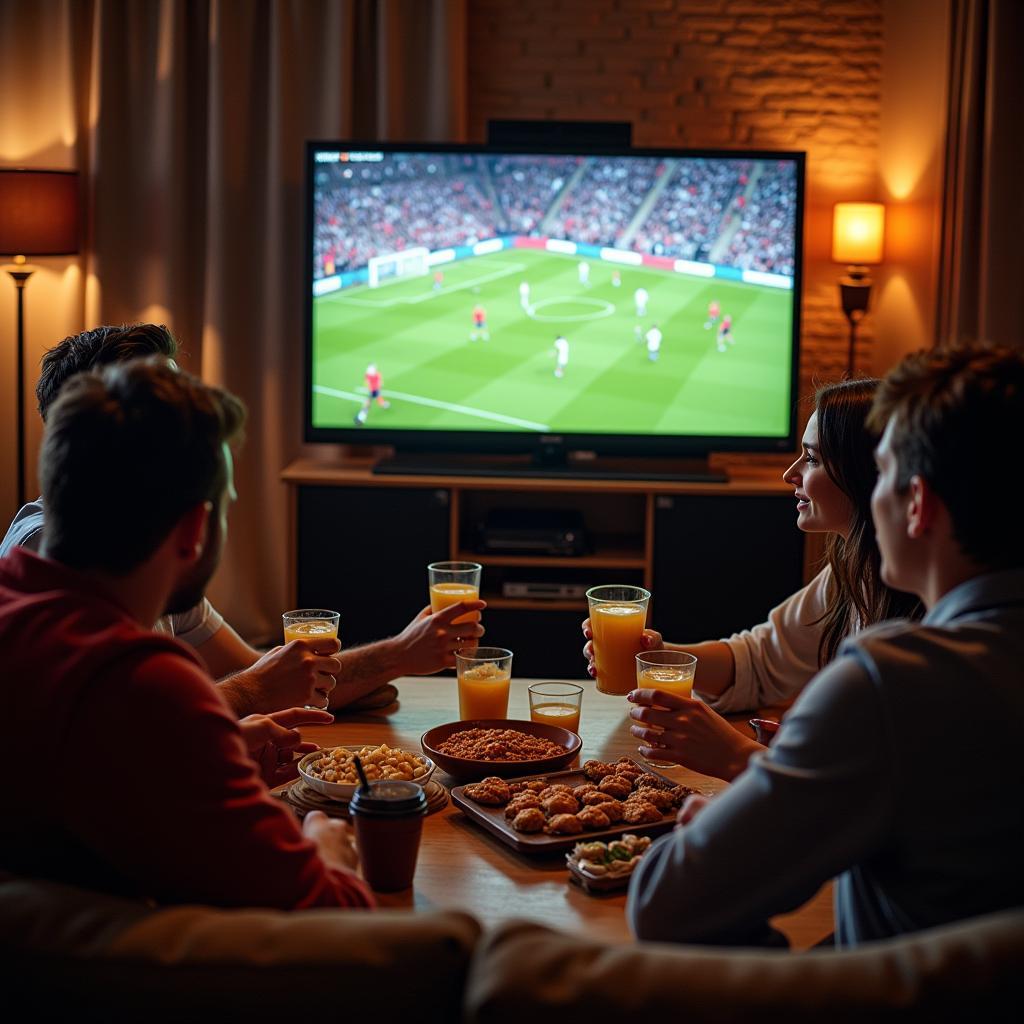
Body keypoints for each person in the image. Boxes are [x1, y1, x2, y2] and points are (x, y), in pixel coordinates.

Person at [627, 343, 1024, 948]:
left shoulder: (886, 683)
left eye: (884, 475)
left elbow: (661, 901)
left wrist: (730, 805)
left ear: (917, 504)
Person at [0, 357, 374, 910]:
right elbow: (333, 910)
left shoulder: (22, 615)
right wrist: (327, 847)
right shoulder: (141, 681)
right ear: (196, 529)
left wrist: (198, 755)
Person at [1, 324, 485, 716]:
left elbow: (267, 674)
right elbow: (122, 727)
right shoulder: (47, 549)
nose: (197, 425)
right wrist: (250, 697)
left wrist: (398, 654)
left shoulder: (150, 546)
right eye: (168, 406)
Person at [582, 378, 920, 782]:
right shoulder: (852, 571)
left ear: (868, 473)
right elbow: (761, 659)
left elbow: (880, 787)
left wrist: (736, 753)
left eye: (812, 459)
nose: (789, 473)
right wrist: (660, 654)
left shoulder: (921, 618)